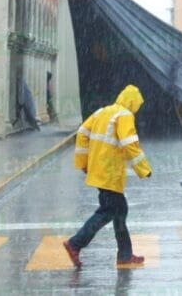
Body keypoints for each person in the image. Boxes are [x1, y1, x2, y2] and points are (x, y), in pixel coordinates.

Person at [63, 85, 152, 268]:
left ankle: (125, 254)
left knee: (120, 211)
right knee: (108, 211)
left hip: (99, 170)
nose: (137, 109)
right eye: (137, 105)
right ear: (133, 102)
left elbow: (82, 133)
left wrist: (83, 162)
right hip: (110, 172)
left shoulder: (103, 112)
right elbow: (129, 144)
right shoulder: (125, 115)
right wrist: (143, 169)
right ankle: (75, 244)